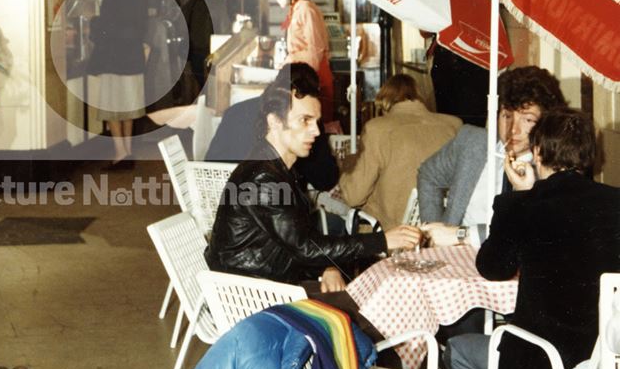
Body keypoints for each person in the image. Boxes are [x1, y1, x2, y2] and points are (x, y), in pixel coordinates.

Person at [437, 108, 620, 369]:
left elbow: (492, 268)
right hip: (603, 363)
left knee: (460, 350)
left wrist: (518, 197)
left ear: (537, 152)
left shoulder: (528, 207)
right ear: (588, 155)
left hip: (540, 363)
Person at [205, 68, 422, 297]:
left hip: (269, 279)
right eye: (305, 120)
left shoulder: (277, 168)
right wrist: (383, 240)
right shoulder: (264, 179)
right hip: (251, 295)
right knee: (368, 312)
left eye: (317, 121)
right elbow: (305, 247)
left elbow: (297, 242)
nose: (316, 131)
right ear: (275, 122)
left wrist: (326, 265)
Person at [418, 65, 566, 247]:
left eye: (527, 119)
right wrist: (434, 230)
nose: (513, 129)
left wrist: (459, 234)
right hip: (454, 259)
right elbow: (428, 174)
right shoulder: (471, 142)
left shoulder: (553, 165)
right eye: (506, 116)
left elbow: (526, 229)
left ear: (545, 122)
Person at [338, 74, 461, 230]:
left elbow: (353, 196)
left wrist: (348, 164)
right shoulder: (454, 125)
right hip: (441, 229)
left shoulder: (377, 129)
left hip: (393, 235)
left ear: (385, 102)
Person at [205, 63, 339, 194]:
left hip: (219, 199)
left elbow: (208, 166)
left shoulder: (234, 111)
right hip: (271, 200)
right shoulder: (300, 118)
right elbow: (325, 180)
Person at [88, 0, 149, 166]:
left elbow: (104, 29)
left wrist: (93, 22)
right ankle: (128, 150)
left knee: (112, 108)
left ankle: (119, 151)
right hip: (133, 60)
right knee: (129, 109)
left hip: (113, 60)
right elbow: (143, 29)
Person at [271, 0, 334, 122]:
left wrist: (290, 63)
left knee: (317, 123)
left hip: (313, 76)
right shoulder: (297, 8)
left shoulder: (305, 9)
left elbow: (315, 50)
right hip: (303, 75)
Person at [181, 0, 230, 96]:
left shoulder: (192, 3)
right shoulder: (219, 5)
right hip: (212, 55)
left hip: (194, 55)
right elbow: (225, 33)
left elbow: (181, 25)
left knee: (203, 88)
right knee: (213, 92)